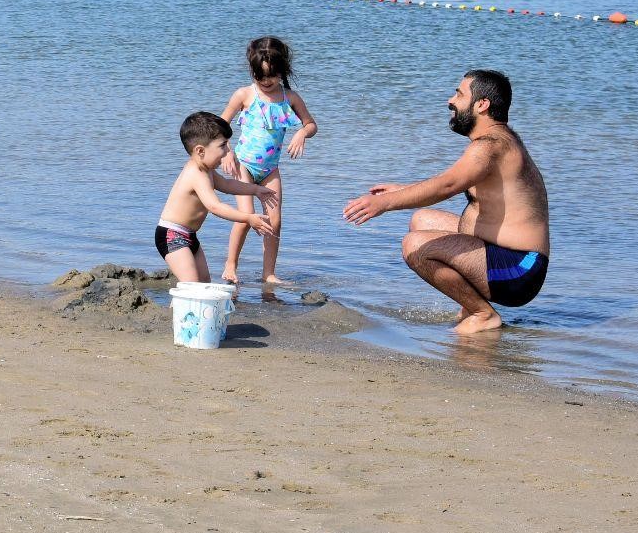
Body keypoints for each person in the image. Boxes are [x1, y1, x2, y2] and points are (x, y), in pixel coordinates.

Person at [341, 70, 551, 334]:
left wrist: (385, 204)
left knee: (415, 246)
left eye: (459, 94)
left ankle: (483, 314)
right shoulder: (498, 141)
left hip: (518, 269)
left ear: (482, 104)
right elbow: (452, 182)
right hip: (503, 255)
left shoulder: (490, 147)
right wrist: (401, 190)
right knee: (422, 219)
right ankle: (470, 305)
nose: (450, 101)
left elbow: (447, 185)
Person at [219, 36, 316, 287]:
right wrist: (226, 152)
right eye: (260, 76)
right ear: (252, 72)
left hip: (270, 170)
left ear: (282, 70)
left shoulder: (290, 98)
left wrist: (302, 133)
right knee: (246, 216)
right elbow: (219, 127)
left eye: (271, 76)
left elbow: (311, 124)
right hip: (244, 166)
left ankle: (268, 273)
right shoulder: (244, 95)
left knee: (275, 221)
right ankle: (231, 265)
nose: (266, 81)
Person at [155, 111, 270, 284]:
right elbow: (215, 206)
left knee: (204, 282)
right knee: (191, 284)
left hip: (189, 235)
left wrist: (255, 189)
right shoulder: (196, 173)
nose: (226, 152)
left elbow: (227, 185)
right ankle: (179, 302)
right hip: (171, 235)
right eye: (222, 146)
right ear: (200, 151)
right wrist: (247, 218)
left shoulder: (206, 170)